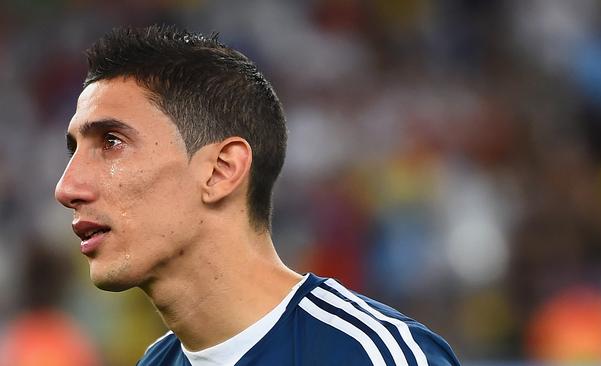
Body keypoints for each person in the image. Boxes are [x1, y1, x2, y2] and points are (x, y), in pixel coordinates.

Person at [54, 25, 460, 366]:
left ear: (221, 170)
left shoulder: (371, 355)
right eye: (74, 150)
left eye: (111, 142)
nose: (66, 188)